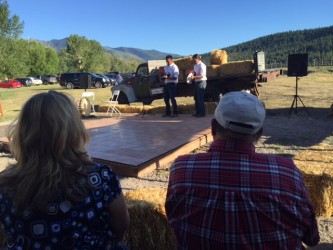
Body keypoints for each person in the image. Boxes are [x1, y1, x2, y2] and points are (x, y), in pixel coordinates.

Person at [165, 91, 319, 250]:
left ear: (212, 127)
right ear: (259, 134)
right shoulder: (286, 172)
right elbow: (311, 237)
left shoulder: (181, 169)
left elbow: (172, 218)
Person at [0, 91, 130, 249]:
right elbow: (121, 225)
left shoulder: (6, 184)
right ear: (74, 130)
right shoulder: (101, 177)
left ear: (23, 132)